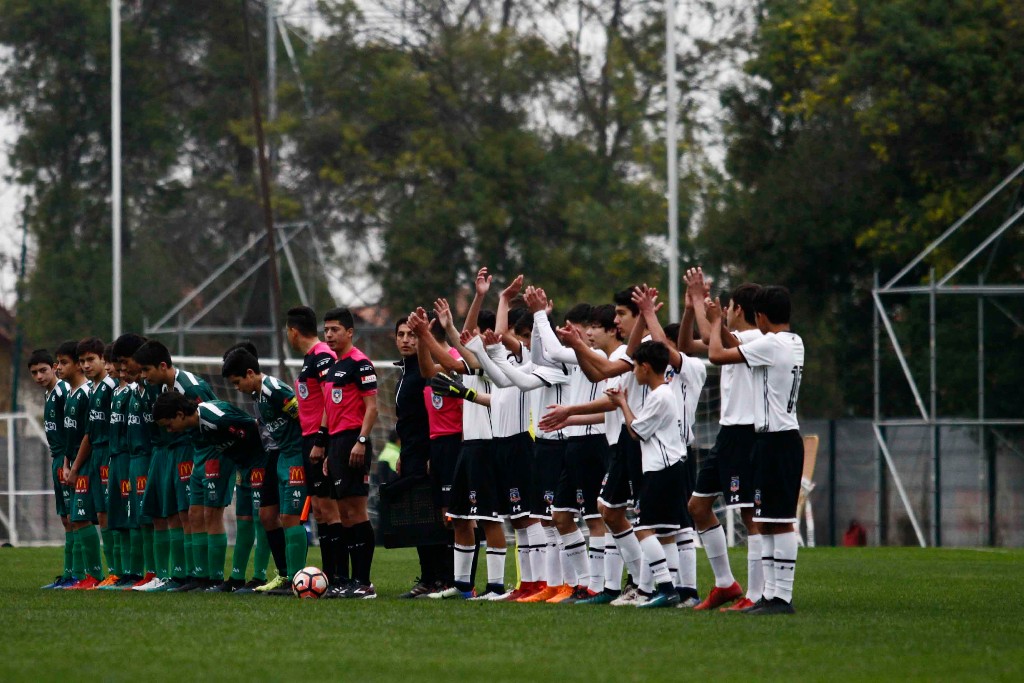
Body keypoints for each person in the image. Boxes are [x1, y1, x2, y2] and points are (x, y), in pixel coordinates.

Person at [707, 285, 805, 615]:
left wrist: (714, 322)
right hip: (778, 438)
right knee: (767, 520)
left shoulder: (771, 344)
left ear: (761, 316)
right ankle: (771, 596)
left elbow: (718, 355)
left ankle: (781, 597)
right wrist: (721, 326)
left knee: (778, 521)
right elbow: (738, 348)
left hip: (777, 440)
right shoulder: (793, 342)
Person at [681, 270, 765, 612]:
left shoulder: (759, 338)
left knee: (750, 515)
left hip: (746, 433)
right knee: (698, 507)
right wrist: (691, 307)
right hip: (726, 433)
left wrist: (703, 303)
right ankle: (725, 584)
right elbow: (687, 345)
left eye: (728, 307)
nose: (725, 312)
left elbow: (715, 340)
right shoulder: (729, 335)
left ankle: (758, 596)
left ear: (739, 310)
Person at [606, 340, 686, 608]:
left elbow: (635, 431)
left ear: (646, 367)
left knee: (643, 528)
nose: (634, 372)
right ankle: (667, 590)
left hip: (660, 469)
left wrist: (622, 403)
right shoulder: (664, 394)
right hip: (671, 467)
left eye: (636, 367)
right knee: (664, 532)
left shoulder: (659, 396)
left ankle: (665, 587)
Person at [133, 340, 218, 592]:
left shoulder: (191, 387)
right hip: (172, 452)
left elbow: (213, 416)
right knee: (174, 513)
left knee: (191, 514)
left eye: (147, 370)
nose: (144, 376)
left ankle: (201, 574)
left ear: (162, 366)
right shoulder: (161, 387)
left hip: (193, 452)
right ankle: (181, 574)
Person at [222, 347, 310, 588]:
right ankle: (283, 574)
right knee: (267, 516)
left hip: (294, 455)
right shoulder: (256, 393)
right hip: (276, 455)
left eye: (238, 382)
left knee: (290, 518)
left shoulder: (274, 389)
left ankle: (297, 578)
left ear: (250, 373)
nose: (237, 387)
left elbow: (302, 416)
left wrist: (312, 450)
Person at [320, 307, 379, 599]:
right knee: (344, 513)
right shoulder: (334, 366)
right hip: (337, 443)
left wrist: (362, 440)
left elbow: (372, 407)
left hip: (354, 441)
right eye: (326, 330)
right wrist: (330, 451)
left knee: (356, 510)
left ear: (350, 333)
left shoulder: (361, 364)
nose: (329, 335)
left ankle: (364, 582)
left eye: (335, 330)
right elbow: (332, 411)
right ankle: (348, 581)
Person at [286, 306, 340, 586]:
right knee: (319, 509)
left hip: (322, 439)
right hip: (309, 439)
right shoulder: (311, 358)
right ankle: (331, 575)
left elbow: (332, 399)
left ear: (293, 332)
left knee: (329, 509)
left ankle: (338, 575)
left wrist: (321, 439)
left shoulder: (322, 357)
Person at [393, 315, 444, 598]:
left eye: (411, 335)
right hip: (410, 453)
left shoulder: (425, 372)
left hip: (427, 453)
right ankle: (428, 577)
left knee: (431, 518)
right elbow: (407, 420)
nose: (405, 340)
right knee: (418, 518)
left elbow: (431, 416)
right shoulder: (404, 373)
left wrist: (429, 454)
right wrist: (403, 452)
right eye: (401, 335)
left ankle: (438, 578)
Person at [66, 337, 118, 588]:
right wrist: (75, 466)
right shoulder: (95, 389)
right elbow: (88, 431)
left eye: (91, 360)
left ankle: (117, 572)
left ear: (103, 360)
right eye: (82, 361)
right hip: (94, 455)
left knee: (107, 515)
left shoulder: (110, 387)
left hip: (110, 454)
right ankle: (96, 575)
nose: (86, 365)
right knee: (92, 514)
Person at [56, 340, 104, 589]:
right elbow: (69, 436)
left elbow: (89, 434)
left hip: (87, 463)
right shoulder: (70, 394)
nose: (58, 368)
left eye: (64, 362)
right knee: (75, 518)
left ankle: (95, 576)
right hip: (74, 462)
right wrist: (66, 463)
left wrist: (75, 467)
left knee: (83, 517)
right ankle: (81, 574)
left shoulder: (87, 393)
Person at [113, 333, 156, 590]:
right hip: (132, 460)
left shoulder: (154, 388)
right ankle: (138, 573)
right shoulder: (133, 392)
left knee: (153, 518)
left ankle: (156, 573)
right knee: (137, 518)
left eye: (123, 361)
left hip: (150, 457)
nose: (120, 368)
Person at [33, 350, 75, 589]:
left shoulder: (62, 392)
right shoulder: (49, 394)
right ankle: (70, 573)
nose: (39, 376)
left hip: (65, 458)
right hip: (56, 458)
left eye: (43, 370)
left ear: (54, 368)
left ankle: (80, 573)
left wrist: (68, 461)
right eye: (34, 373)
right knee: (65, 517)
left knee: (73, 517)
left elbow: (71, 429)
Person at [101, 344, 135, 589]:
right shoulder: (116, 393)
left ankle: (136, 572)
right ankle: (122, 572)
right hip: (115, 459)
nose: (109, 367)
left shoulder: (133, 391)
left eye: (111, 363)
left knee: (131, 516)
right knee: (117, 517)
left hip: (128, 458)